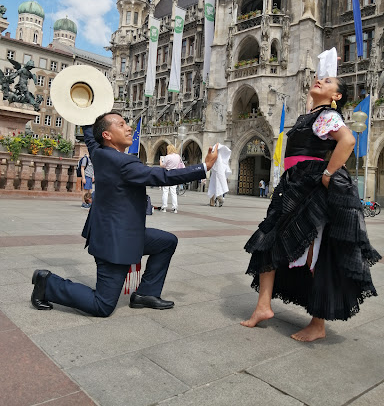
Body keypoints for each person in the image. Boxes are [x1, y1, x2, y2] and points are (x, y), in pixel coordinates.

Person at [31, 111, 218, 317]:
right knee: (102, 305)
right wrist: (204, 166)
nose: (129, 128)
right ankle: (47, 283)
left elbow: (92, 140)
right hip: (114, 241)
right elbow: (162, 176)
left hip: (121, 232)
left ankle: (146, 293)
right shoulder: (123, 163)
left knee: (166, 241)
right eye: (121, 125)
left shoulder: (99, 152)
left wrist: (85, 110)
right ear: (107, 135)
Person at [241, 76, 381, 341]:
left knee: (313, 251)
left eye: (327, 81)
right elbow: (311, 96)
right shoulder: (313, 113)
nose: (318, 80)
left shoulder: (329, 116)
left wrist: (329, 172)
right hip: (293, 182)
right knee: (268, 240)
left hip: (309, 184)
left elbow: (348, 141)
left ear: (336, 97)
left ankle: (318, 323)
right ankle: (263, 306)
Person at [159, 144, 184, 213]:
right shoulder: (178, 156)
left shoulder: (167, 157)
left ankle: (164, 207)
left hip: (167, 174)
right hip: (175, 174)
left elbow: (163, 166)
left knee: (165, 191)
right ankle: (175, 207)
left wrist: (160, 161)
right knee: (173, 192)